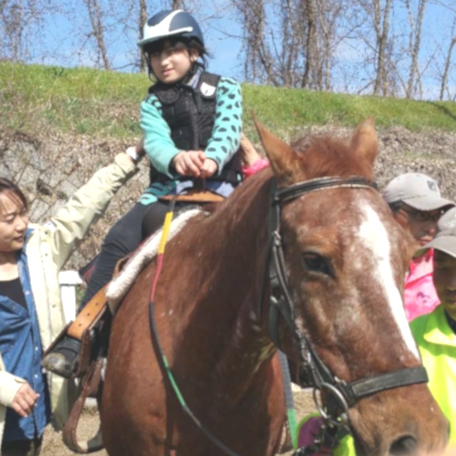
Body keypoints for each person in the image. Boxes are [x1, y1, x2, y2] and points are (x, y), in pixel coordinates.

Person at [43, 9, 260, 379]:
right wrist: (176, 157)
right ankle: (83, 335)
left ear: (194, 52)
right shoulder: (152, 103)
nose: (163, 60)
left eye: (172, 50)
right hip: (166, 191)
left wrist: (211, 159)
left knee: (272, 242)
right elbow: (156, 143)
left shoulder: (225, 87)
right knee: (116, 240)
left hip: (223, 188)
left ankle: (297, 342)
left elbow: (228, 129)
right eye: (155, 54)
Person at [0, 146, 141, 456]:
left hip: (32, 421)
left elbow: (82, 206)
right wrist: (8, 390)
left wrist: (132, 156)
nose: (22, 224)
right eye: (10, 219)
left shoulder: (38, 251)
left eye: (23, 213)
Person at [295, 207, 456, 455]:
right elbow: (370, 420)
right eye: (443, 267)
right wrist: (328, 437)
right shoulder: (408, 339)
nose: (451, 283)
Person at [383, 173, 454, 321]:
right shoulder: (360, 270)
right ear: (386, 212)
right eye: (421, 216)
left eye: (436, 217)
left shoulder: (446, 270)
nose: (431, 228)